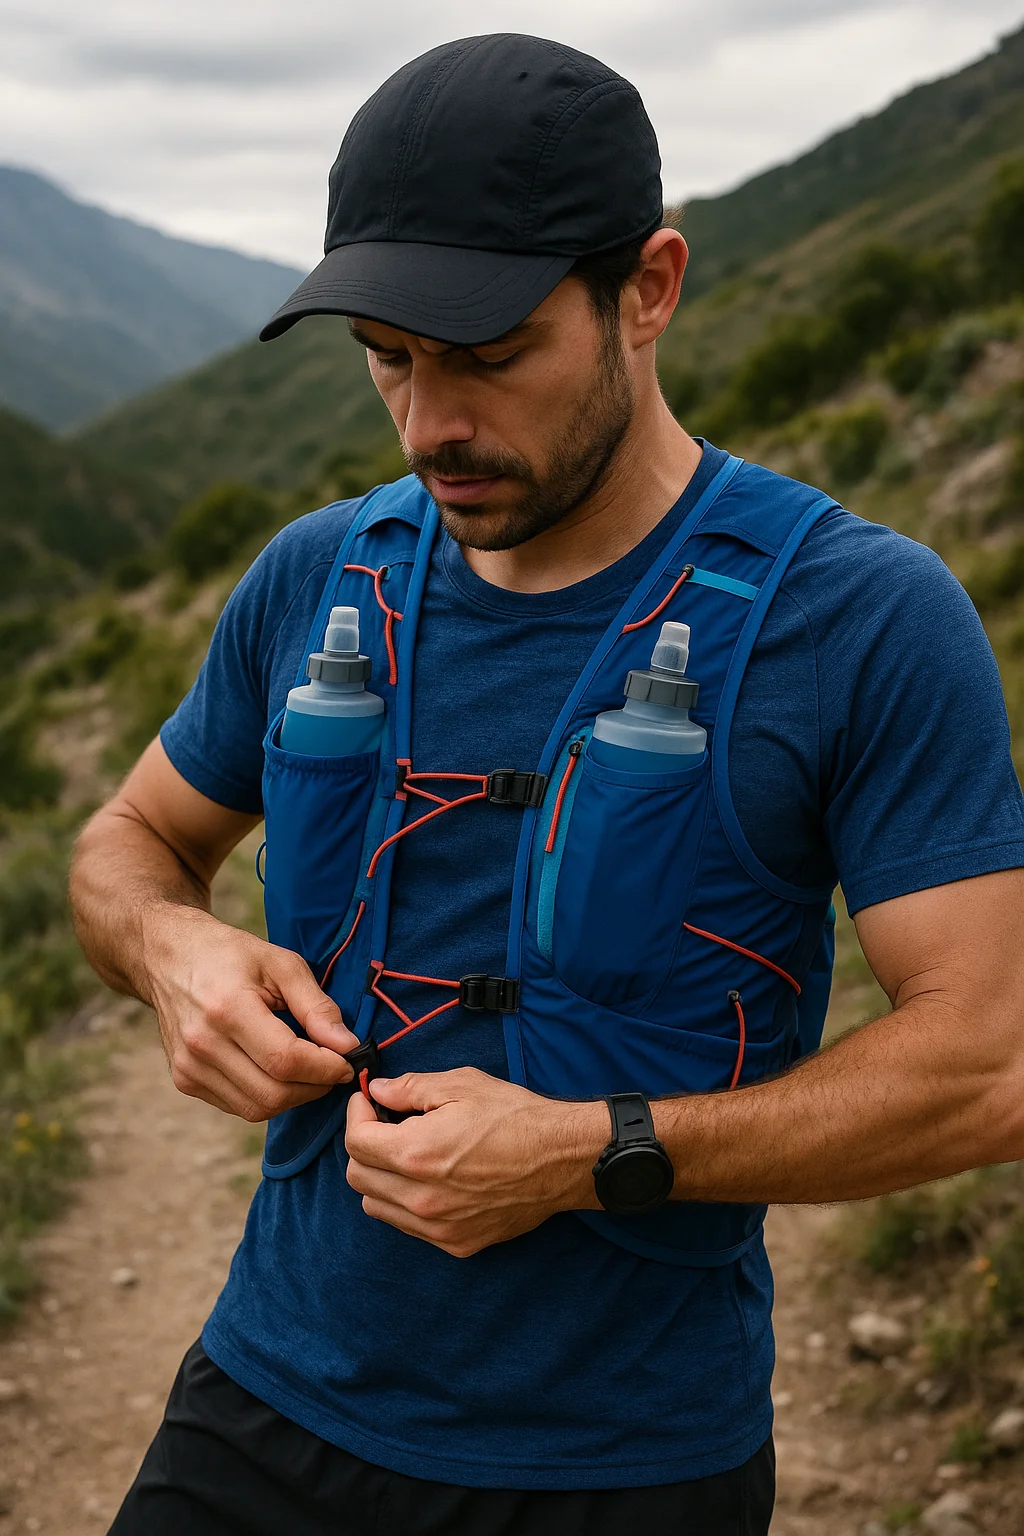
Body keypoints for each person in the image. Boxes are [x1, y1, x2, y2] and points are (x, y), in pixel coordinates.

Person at [71, 33, 1024, 1536]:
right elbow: (129, 841)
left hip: (625, 1469)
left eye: (492, 353)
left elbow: (989, 1064)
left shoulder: (860, 615)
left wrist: (597, 1155)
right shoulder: (315, 575)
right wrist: (172, 950)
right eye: (388, 355)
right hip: (262, 1402)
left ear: (647, 288)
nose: (429, 422)